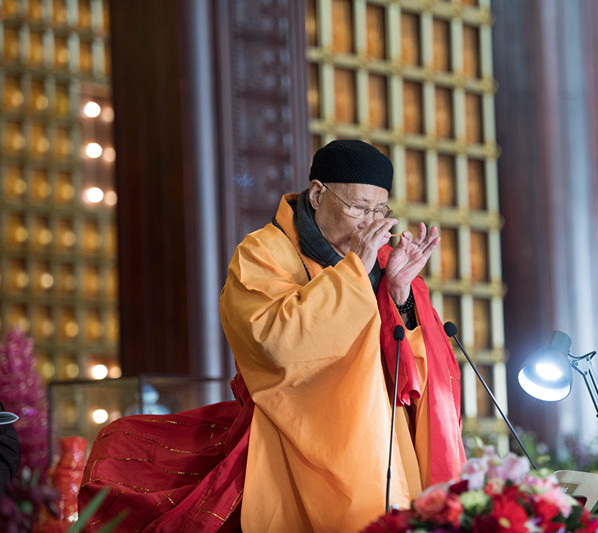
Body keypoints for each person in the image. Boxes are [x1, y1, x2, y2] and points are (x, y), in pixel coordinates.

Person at [78, 139, 466, 533]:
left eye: (379, 211)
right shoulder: (263, 253)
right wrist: (354, 273)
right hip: (294, 442)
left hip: (382, 436)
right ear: (317, 195)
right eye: (358, 208)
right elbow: (276, 345)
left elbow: (404, 367)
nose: (370, 223)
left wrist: (399, 294)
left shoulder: (376, 260)